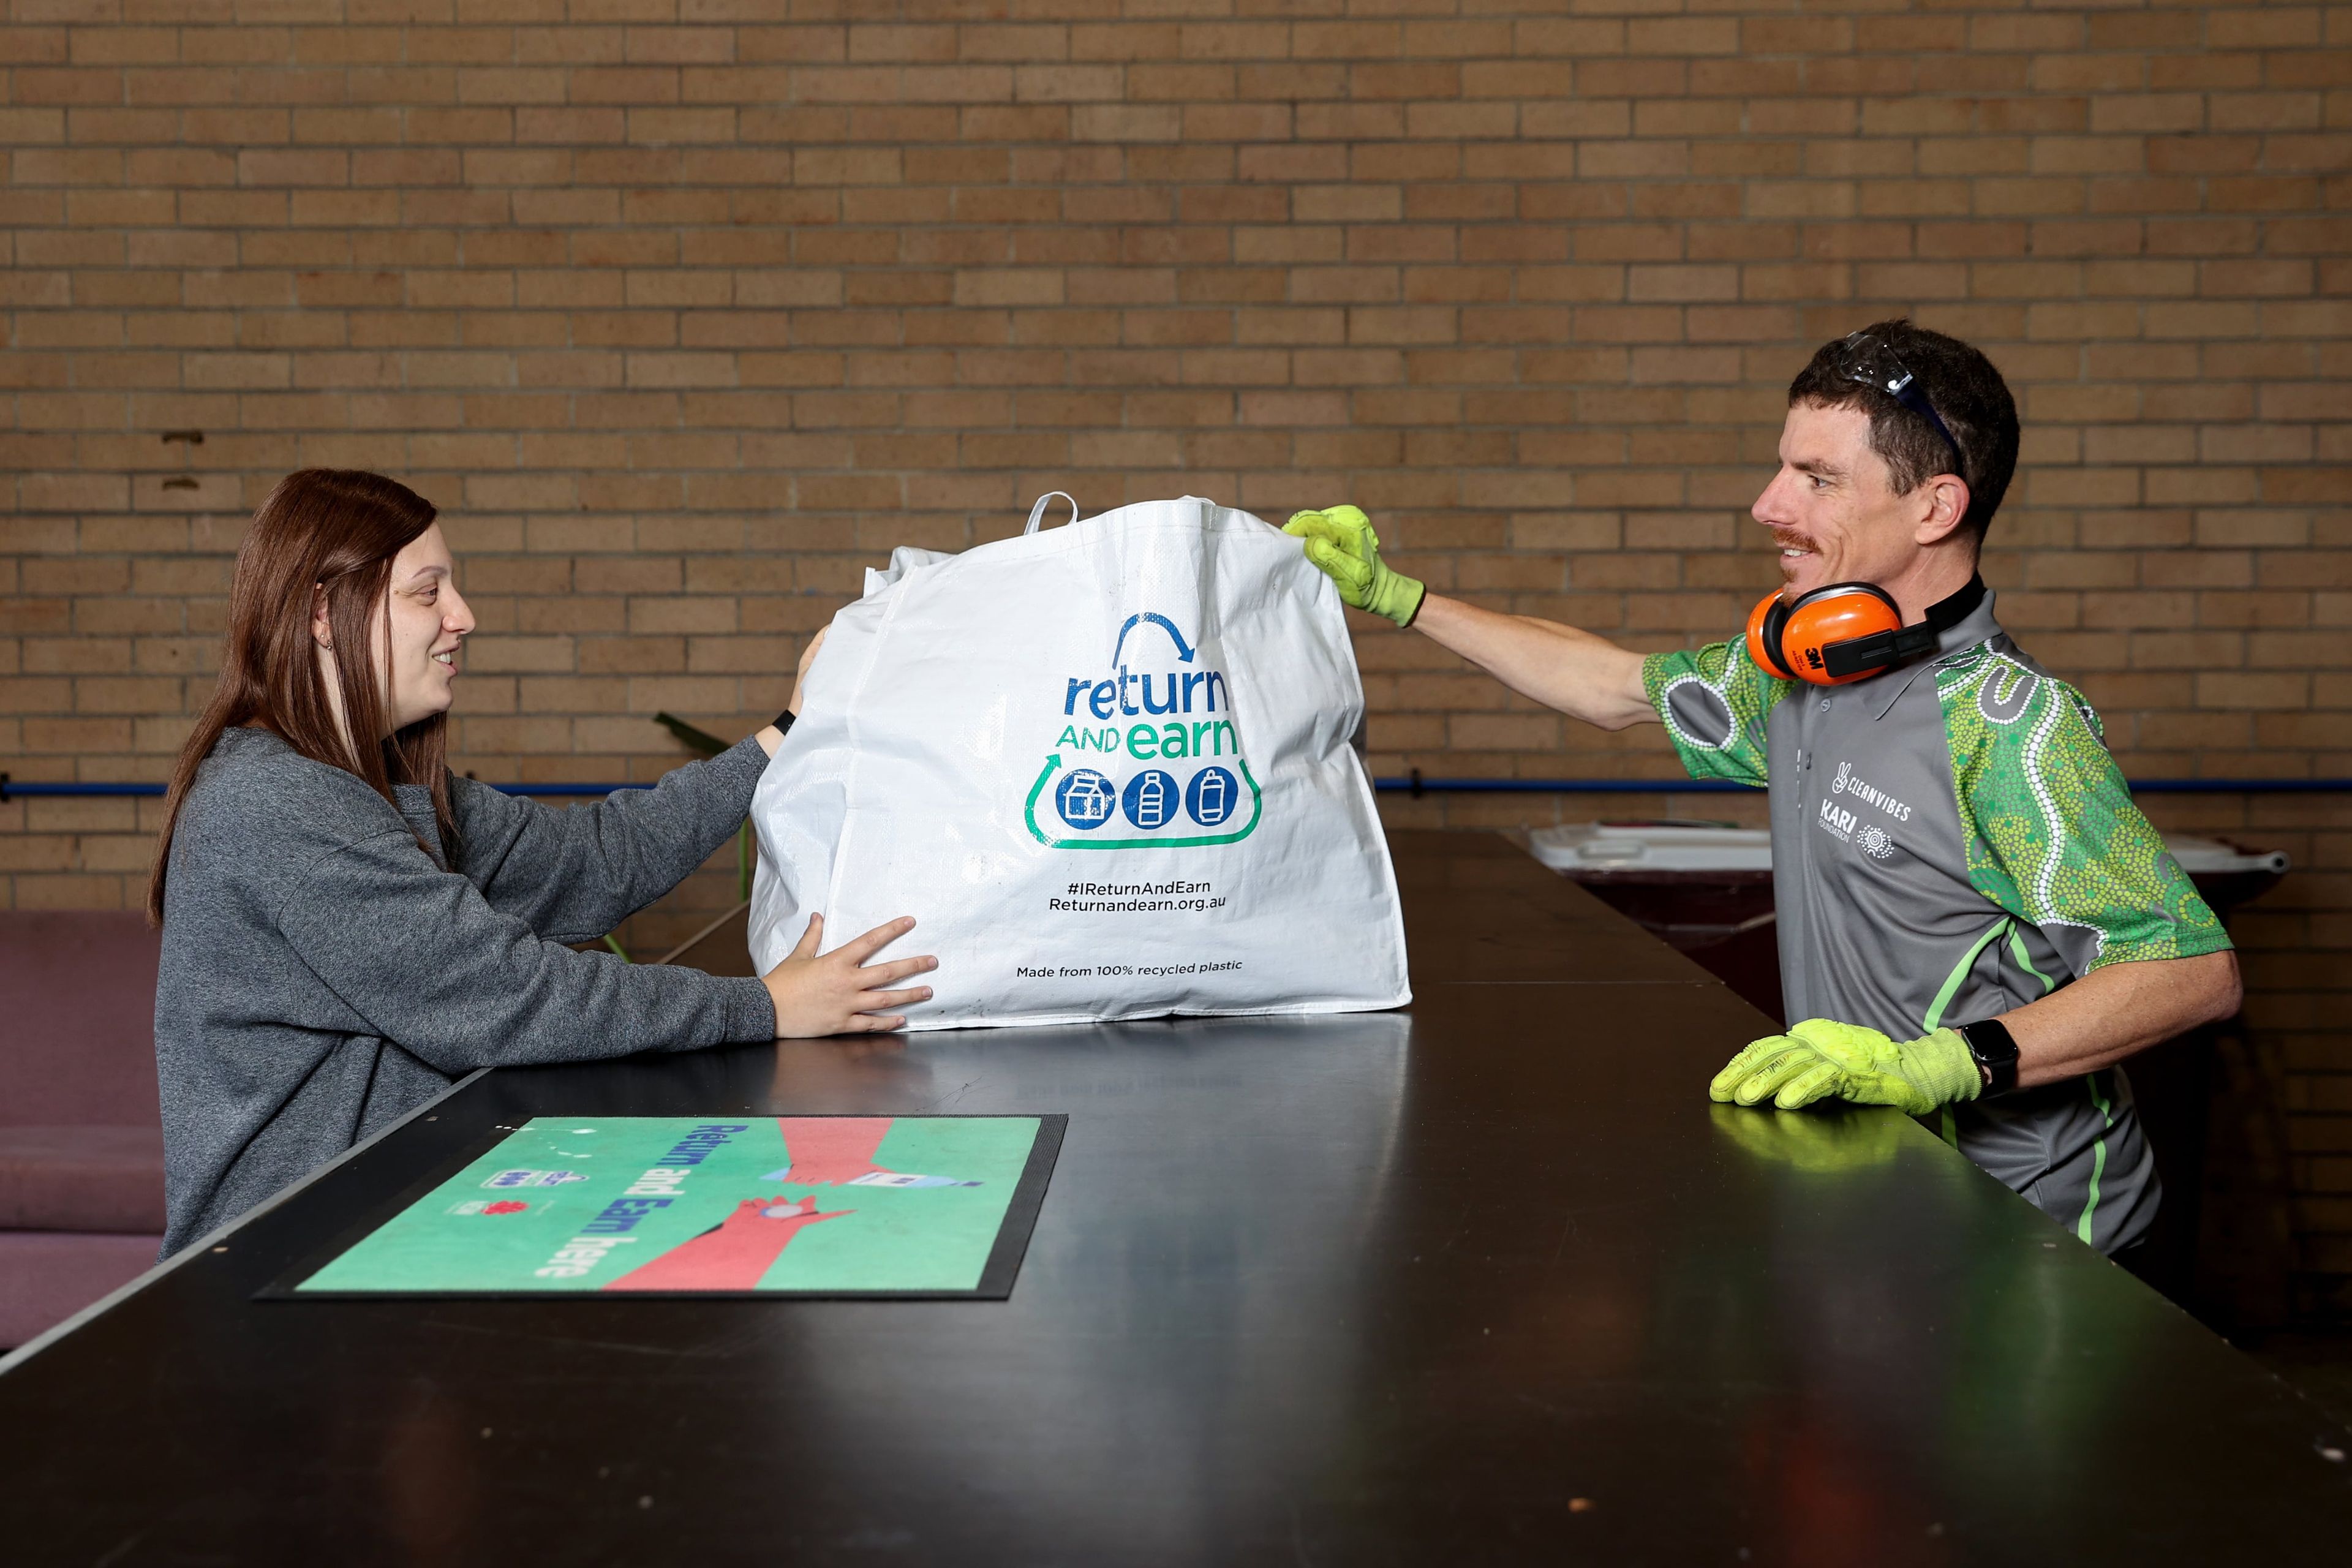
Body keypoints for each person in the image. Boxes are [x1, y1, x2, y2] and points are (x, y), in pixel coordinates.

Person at [1286, 320, 2241, 1255]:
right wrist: (1399, 598)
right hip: (1888, 1201)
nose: (1767, 504)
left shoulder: (2011, 729)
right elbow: (1613, 686)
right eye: (1785, 466)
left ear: (1936, 509)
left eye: (1818, 480)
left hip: (2042, 1238)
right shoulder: (1801, 678)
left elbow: (2191, 972)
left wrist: (1944, 1064)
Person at [149, 469, 935, 1253]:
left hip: (385, 1223)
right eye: (428, 593)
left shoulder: (378, 785)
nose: (463, 616)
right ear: (325, 613)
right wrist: (766, 1007)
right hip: (287, 1258)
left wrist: (785, 731)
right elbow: (505, 995)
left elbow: (592, 860)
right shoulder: (277, 804)